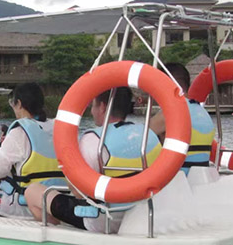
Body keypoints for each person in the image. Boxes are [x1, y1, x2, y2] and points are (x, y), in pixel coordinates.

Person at [26, 86, 160, 233]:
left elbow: (78, 192)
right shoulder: (147, 134)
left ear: (102, 107)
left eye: (93, 105)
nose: (91, 111)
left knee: (32, 191)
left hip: (102, 220)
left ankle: (59, 235)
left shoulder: (93, 139)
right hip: (140, 214)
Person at [0, 82, 64, 218]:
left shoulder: (19, 132)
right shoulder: (57, 128)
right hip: (57, 202)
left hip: (25, 206)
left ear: (19, 104)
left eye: (13, 103)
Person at [148, 63, 216, 174]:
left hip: (177, 177)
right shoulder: (202, 111)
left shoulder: (171, 112)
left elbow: (141, 139)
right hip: (200, 176)